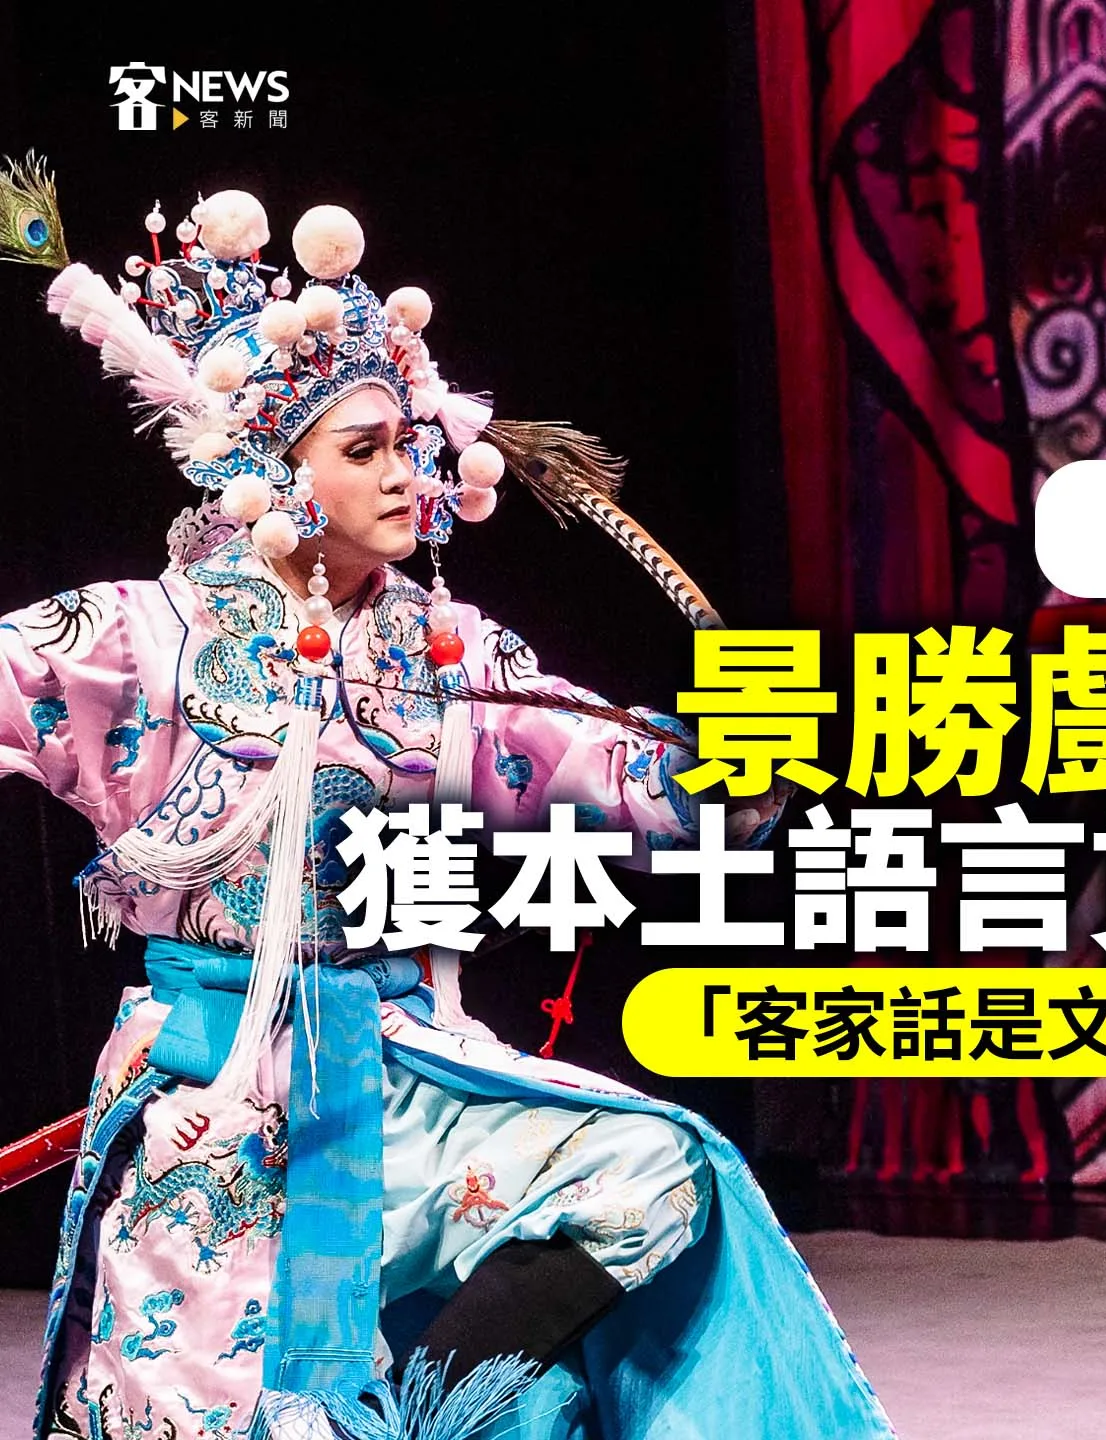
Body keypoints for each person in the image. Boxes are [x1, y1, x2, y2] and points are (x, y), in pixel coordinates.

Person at [0, 167, 895, 1439]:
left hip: (407, 1081)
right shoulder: (140, 638)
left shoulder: (445, 647)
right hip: (220, 1102)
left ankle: (412, 1422)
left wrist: (719, 777)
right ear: (270, 468)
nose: (406, 477)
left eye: (409, 448)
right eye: (362, 452)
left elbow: (592, 755)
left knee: (652, 1172)